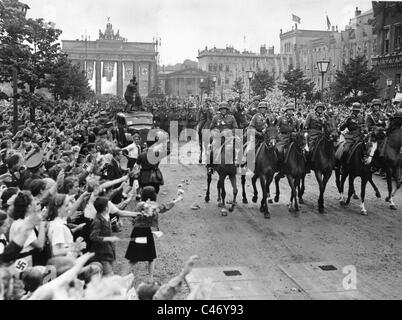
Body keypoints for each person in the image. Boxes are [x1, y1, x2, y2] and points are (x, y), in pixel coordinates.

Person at [124, 186, 177, 282]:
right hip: (145, 232)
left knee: (145, 256)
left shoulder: (140, 204)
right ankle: (148, 278)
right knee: (145, 257)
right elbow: (163, 208)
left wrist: (175, 201)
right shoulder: (147, 205)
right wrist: (175, 201)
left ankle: (149, 278)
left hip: (138, 231)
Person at [304, 102, 328, 169]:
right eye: (319, 108)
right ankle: (307, 164)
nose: (320, 109)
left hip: (322, 134)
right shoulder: (311, 115)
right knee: (310, 149)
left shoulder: (325, 116)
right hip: (312, 133)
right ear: (316, 108)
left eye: (322, 108)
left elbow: (328, 126)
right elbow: (306, 126)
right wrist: (306, 133)